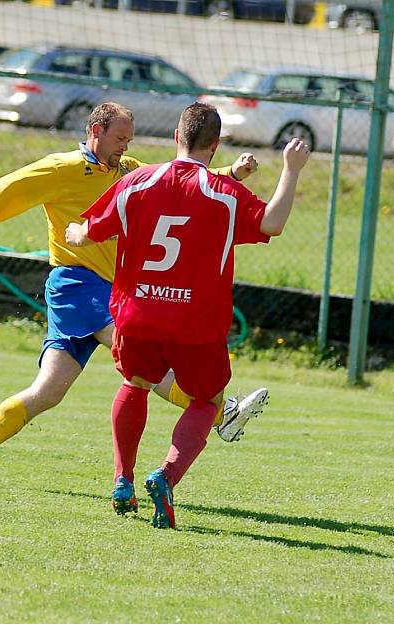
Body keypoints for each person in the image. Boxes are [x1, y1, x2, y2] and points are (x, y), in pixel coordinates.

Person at [0, 102, 270, 496]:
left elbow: (180, 178)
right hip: (78, 285)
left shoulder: (129, 170)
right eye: (119, 138)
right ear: (95, 130)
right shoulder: (61, 169)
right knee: (145, 363)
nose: (124, 147)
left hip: (106, 289)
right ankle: (219, 415)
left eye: (129, 139)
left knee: (48, 391)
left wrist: (230, 174)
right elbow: (5, 190)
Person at [66, 102, 310, 528]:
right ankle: (166, 475)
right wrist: (291, 169)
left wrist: (75, 232)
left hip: (137, 315)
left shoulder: (138, 182)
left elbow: (88, 234)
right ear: (215, 146)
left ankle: (122, 479)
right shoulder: (224, 194)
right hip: (196, 325)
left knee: (135, 383)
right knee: (207, 400)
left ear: (176, 136)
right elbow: (271, 223)